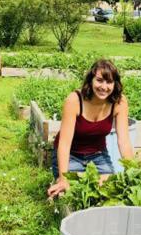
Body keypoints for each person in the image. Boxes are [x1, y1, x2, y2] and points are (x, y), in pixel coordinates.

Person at [47, 59, 133, 198]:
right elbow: (64, 143)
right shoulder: (74, 100)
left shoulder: (119, 102)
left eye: (109, 82)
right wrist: (63, 178)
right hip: (71, 155)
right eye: (99, 80)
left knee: (109, 190)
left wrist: (133, 172)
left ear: (115, 84)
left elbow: (124, 141)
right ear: (91, 80)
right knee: (73, 192)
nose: (104, 87)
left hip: (98, 155)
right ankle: (57, 183)